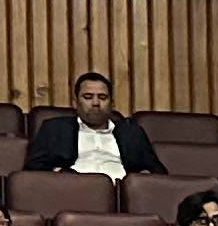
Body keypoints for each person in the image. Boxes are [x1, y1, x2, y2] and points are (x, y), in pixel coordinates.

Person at [25, 70, 164, 178]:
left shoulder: (132, 133)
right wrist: (60, 175)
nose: (96, 103)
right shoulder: (54, 129)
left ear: (112, 103)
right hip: (70, 191)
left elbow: (158, 172)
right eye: (88, 97)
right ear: (75, 102)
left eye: (102, 97)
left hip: (120, 194)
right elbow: (32, 169)